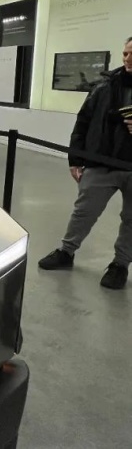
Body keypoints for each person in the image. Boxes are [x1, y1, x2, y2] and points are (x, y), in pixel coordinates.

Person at [38, 36, 132, 290]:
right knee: (84, 211)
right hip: (101, 162)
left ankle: (120, 265)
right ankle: (66, 252)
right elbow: (83, 122)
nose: (127, 59)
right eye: (125, 53)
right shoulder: (104, 86)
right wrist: (75, 158)